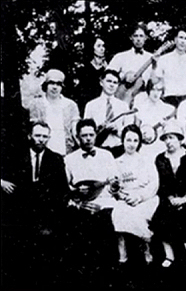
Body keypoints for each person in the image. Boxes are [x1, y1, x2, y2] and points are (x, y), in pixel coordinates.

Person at [2, 121, 69, 288]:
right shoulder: (15, 155)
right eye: (38, 135)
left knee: (45, 253)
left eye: (45, 137)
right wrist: (1, 181)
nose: (41, 140)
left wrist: (51, 220)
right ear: (29, 136)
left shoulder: (55, 159)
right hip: (18, 212)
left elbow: (62, 192)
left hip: (44, 215)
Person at [64, 118, 119, 287]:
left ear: (96, 135)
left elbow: (114, 188)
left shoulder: (107, 155)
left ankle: (106, 280)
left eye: (91, 135)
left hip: (104, 206)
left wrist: (113, 186)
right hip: (81, 206)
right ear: (77, 137)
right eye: (84, 135)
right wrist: (78, 201)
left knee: (105, 237)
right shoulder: (69, 159)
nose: (88, 138)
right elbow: (67, 188)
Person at [150, 120, 186, 278]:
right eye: (166, 138)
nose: (168, 141)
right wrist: (169, 197)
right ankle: (170, 255)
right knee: (160, 219)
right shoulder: (160, 159)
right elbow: (159, 182)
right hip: (169, 198)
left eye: (172, 137)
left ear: (180, 139)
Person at [111, 124, 159, 265]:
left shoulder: (146, 160)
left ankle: (146, 246)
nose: (131, 144)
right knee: (118, 214)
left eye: (135, 140)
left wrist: (140, 197)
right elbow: (113, 187)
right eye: (128, 140)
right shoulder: (117, 162)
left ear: (139, 142)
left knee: (138, 215)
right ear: (123, 141)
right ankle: (122, 252)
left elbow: (154, 183)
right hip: (125, 198)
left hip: (146, 197)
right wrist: (120, 194)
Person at [26, 68, 80, 156]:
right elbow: (33, 128)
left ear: (62, 87)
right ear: (46, 85)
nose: (54, 87)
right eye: (51, 83)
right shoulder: (36, 104)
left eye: (58, 84)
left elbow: (75, 129)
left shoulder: (70, 105)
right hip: (44, 146)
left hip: (64, 148)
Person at [84, 69, 137, 153]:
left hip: (118, 148)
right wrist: (100, 129)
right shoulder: (91, 105)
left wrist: (117, 130)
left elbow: (129, 133)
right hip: (98, 148)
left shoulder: (123, 106)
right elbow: (86, 131)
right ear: (101, 82)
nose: (112, 85)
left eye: (115, 83)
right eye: (109, 81)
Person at [108, 24, 154, 107]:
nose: (138, 39)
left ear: (146, 38)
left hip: (144, 99)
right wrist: (124, 76)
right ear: (131, 38)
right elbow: (108, 76)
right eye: (135, 36)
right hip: (123, 97)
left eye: (141, 36)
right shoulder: (120, 56)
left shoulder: (151, 58)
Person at [152, 28, 186, 108]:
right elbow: (155, 81)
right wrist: (154, 65)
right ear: (175, 39)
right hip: (169, 99)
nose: (183, 41)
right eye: (181, 37)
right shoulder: (164, 59)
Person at [135, 77, 176, 162]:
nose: (156, 93)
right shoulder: (140, 107)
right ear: (148, 90)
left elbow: (172, 132)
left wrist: (167, 127)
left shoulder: (169, 109)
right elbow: (135, 129)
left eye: (159, 90)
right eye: (153, 89)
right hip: (144, 147)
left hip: (161, 146)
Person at [74, 36, 108, 116]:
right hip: (86, 104)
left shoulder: (107, 68)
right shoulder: (84, 68)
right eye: (99, 46)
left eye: (103, 46)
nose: (102, 49)